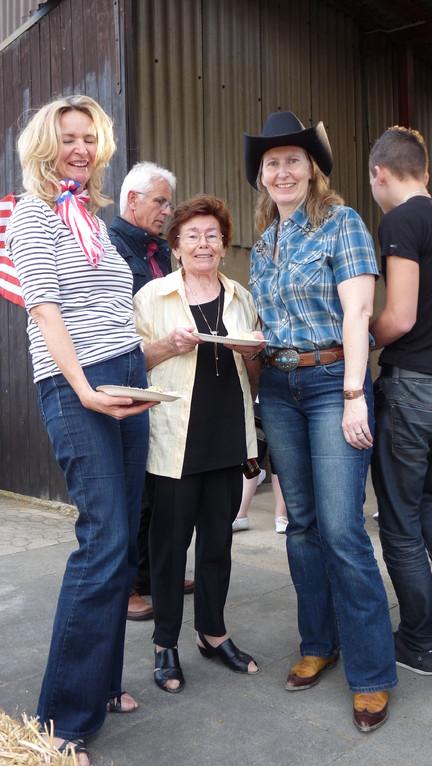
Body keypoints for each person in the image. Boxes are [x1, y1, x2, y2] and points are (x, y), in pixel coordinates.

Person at [6, 95, 157, 766]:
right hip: (77, 385)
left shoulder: (89, 217)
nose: (80, 148)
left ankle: (101, 686)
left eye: (89, 138)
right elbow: (43, 309)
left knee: (124, 544)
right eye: (67, 137)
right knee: (104, 540)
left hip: (121, 375)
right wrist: (85, 389)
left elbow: (114, 315)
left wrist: (141, 367)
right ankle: (59, 722)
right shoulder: (33, 214)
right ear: (45, 144)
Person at [243, 110, 397, 732]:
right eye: (271, 163)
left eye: (293, 161)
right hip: (278, 385)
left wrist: (357, 393)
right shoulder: (263, 243)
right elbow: (267, 327)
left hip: (336, 380)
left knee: (341, 529)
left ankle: (371, 672)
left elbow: (358, 313)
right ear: (262, 175)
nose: (282, 171)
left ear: (313, 170)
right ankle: (318, 642)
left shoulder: (343, 224)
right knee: (300, 524)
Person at [133, 194, 266, 693]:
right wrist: (170, 344)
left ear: (224, 245)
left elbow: (253, 375)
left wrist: (252, 351)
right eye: (193, 235)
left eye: (212, 235)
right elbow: (134, 365)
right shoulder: (153, 297)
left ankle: (212, 632)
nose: (203, 244)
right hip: (175, 440)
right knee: (168, 547)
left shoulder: (240, 297)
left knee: (217, 544)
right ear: (177, 246)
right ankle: (165, 643)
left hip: (228, 436)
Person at [109, 161, 194, 622]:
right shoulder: (110, 247)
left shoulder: (160, 249)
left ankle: (150, 573)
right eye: (159, 201)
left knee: (159, 487)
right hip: (128, 376)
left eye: (168, 202)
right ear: (132, 200)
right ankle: (122, 588)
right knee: (131, 494)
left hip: (166, 378)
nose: (166, 210)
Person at [369, 126, 432, 675]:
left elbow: (401, 316)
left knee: (400, 522)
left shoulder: (401, 221)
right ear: (427, 172)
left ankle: (419, 640)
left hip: (413, 385)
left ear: (379, 175)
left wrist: (361, 334)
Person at [232, 404, 288, 533]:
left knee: (280, 459)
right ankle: (240, 513)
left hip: (281, 402)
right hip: (258, 402)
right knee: (252, 458)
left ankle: (281, 515)